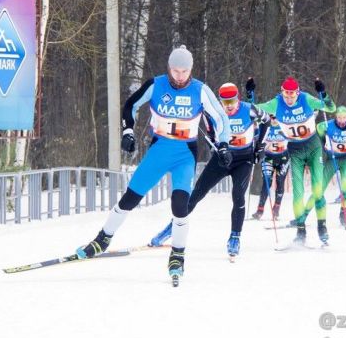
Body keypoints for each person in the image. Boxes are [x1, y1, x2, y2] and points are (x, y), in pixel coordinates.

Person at [75, 45, 231, 283]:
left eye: (184, 71)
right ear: (169, 68)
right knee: (130, 198)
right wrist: (128, 131)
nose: (179, 76)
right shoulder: (156, 84)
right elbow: (131, 105)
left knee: (180, 204)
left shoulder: (200, 90)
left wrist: (223, 145)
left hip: (184, 155)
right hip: (159, 151)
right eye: (175, 70)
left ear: (191, 70)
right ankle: (102, 240)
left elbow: (220, 117)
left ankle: (178, 254)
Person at [148, 80, 270, 260]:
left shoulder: (249, 109)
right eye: (224, 102)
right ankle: (172, 228)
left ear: (238, 98)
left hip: (243, 159)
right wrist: (215, 147)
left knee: (238, 195)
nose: (228, 107)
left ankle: (235, 237)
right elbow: (210, 135)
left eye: (232, 102)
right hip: (222, 159)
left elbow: (267, 122)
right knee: (197, 193)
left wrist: (259, 148)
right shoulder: (212, 112)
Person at [257, 77, 336, 244]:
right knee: (297, 193)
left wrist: (323, 93)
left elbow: (331, 107)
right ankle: (301, 231)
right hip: (295, 150)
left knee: (317, 189)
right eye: (286, 94)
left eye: (292, 94)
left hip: (313, 146)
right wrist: (248, 98)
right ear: (282, 91)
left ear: (297, 92)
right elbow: (255, 109)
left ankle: (322, 226)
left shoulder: (306, 99)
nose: (289, 98)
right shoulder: (276, 103)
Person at [251, 115, 290, 220]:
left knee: (280, 182)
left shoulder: (285, 126)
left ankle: (276, 209)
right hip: (268, 157)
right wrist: (254, 128)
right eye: (272, 117)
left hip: (283, 158)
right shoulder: (265, 126)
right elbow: (255, 136)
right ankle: (260, 210)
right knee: (266, 182)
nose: (274, 120)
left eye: (277, 117)